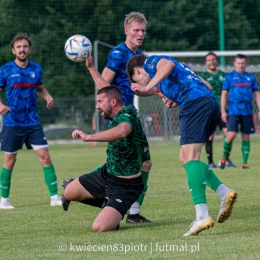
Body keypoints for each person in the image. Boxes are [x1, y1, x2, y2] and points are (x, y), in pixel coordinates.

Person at [126, 53, 238, 236]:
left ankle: (202, 216)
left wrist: (147, 85)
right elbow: (207, 86)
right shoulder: (181, 70)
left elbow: (167, 65)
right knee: (185, 159)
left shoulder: (150, 62)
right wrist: (169, 96)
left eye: (135, 78)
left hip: (194, 104)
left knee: (190, 158)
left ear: (137, 70)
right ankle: (223, 192)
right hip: (209, 102)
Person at [85, 12, 159, 223]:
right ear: (126, 31)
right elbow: (105, 86)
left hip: (130, 115)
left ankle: (133, 213)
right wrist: (91, 68)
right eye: (136, 30)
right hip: (119, 116)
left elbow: (138, 89)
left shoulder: (139, 56)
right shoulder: (118, 53)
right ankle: (80, 185)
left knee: (143, 164)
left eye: (143, 30)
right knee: (130, 165)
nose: (140, 33)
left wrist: (158, 93)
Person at [62, 86, 145, 232]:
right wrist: (91, 68)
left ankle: (114, 213)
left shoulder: (128, 113)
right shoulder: (114, 116)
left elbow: (122, 131)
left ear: (113, 102)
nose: (97, 106)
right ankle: (108, 206)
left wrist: (89, 137)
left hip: (126, 186)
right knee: (68, 192)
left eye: (100, 101)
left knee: (99, 227)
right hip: (106, 174)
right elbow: (106, 84)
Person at [0, 33, 62, 209]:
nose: (22, 49)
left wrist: (47, 97)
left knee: (45, 157)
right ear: (13, 50)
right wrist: (1, 106)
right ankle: (4, 200)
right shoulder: (5, 70)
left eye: (25, 46)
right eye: (18, 47)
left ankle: (55, 197)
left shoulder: (36, 68)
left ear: (29, 49)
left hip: (33, 122)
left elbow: (40, 88)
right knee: (10, 160)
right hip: (12, 122)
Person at [219, 54, 260, 169]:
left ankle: (244, 163)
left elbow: (256, 93)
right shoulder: (230, 76)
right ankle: (223, 158)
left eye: (243, 63)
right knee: (231, 135)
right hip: (233, 111)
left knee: (246, 136)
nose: (241, 65)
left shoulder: (251, 77)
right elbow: (224, 93)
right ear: (234, 64)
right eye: (239, 63)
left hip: (247, 111)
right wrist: (223, 111)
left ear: (246, 64)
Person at [200, 52, 235, 168]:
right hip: (209, 110)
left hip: (223, 110)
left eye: (213, 59)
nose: (212, 62)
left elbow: (229, 92)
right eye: (209, 60)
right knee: (210, 136)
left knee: (229, 134)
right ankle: (210, 161)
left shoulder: (224, 75)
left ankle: (225, 159)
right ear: (206, 63)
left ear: (217, 61)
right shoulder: (203, 76)